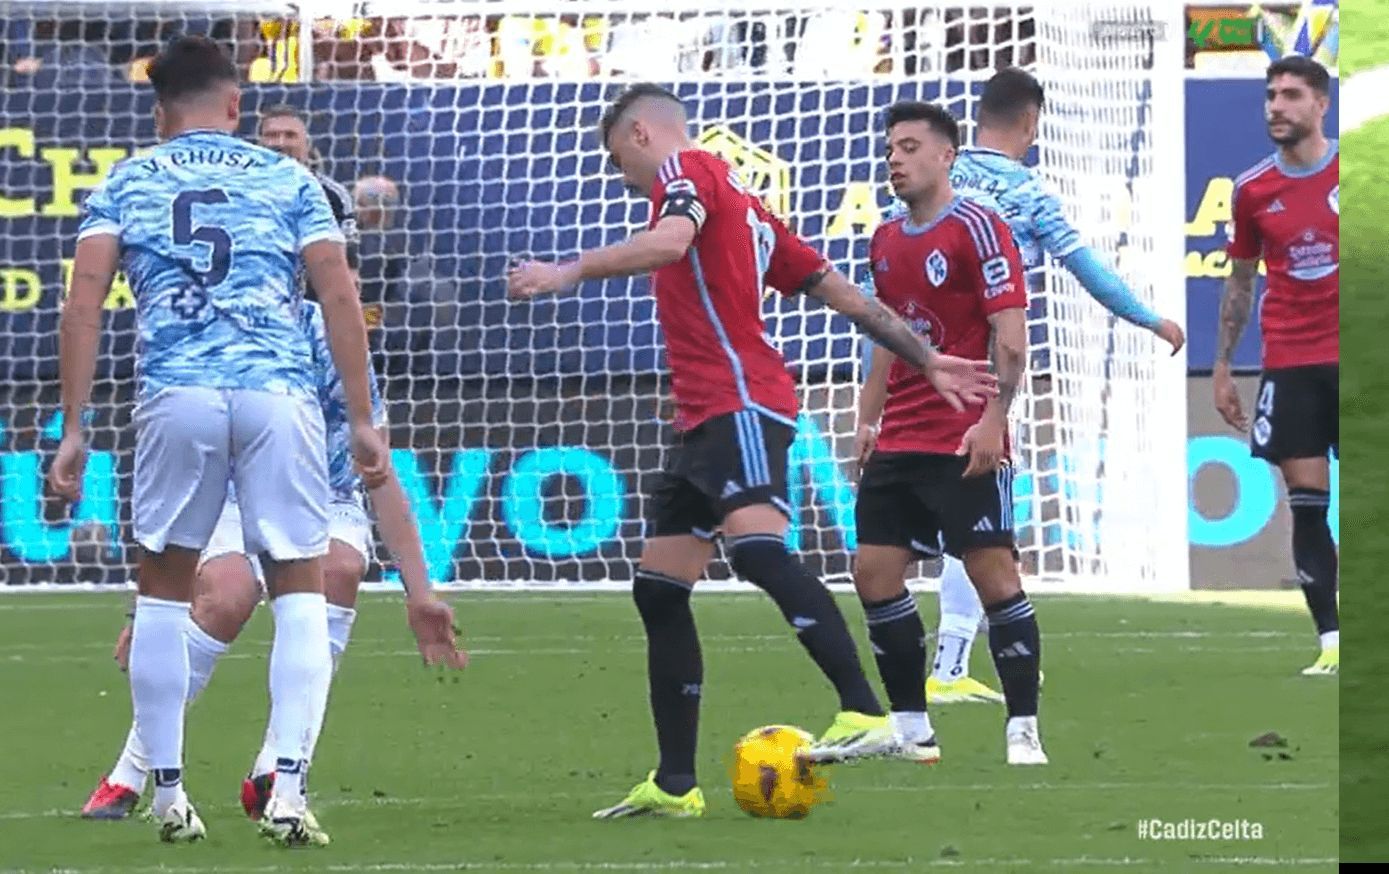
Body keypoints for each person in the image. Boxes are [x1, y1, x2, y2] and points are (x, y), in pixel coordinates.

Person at [507, 83, 998, 818]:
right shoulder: (750, 210)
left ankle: (864, 711)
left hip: (739, 397)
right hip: (703, 415)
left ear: (643, 134)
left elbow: (671, 241)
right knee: (659, 588)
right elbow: (845, 294)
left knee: (758, 551)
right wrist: (924, 357)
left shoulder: (689, 173)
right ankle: (675, 784)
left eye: (620, 162)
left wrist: (566, 271)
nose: (625, 180)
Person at [78, 107, 467, 844]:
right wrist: (145, 605)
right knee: (224, 594)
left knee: (340, 568)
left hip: (322, 496)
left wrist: (421, 594)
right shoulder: (237, 331)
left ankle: (277, 773)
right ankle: (135, 765)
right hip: (229, 487)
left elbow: (377, 467)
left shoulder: (328, 338)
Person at [48, 35, 388, 844]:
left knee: (164, 588)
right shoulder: (289, 176)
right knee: (301, 582)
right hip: (278, 395)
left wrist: (72, 426)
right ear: (235, 105)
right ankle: (288, 792)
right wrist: (365, 415)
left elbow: (84, 301)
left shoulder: (128, 180)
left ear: (161, 110)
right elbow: (337, 295)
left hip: (178, 393)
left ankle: (167, 792)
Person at [882, 67, 1186, 706]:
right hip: (982, 378)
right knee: (980, 527)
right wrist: (1150, 318)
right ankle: (951, 663)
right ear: (1031, 122)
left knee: (905, 543)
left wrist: (869, 405)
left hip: (916, 373)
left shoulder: (930, 185)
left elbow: (886, 299)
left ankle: (936, 671)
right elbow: (1087, 267)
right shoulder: (1025, 191)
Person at [854, 100, 1046, 766]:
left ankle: (1023, 729)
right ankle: (910, 729)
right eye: (889, 150)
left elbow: (1010, 335)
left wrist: (994, 419)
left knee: (992, 575)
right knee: (873, 572)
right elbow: (888, 330)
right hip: (901, 435)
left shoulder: (978, 226)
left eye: (908, 147)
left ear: (945, 156)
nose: (895, 160)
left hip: (964, 438)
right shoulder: (884, 237)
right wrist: (868, 412)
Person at [1213, 56, 1338, 676]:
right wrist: (1223, 366)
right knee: (1307, 504)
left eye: (1291, 95)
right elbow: (1239, 283)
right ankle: (1333, 643)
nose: (1276, 106)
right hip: (1291, 363)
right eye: (1270, 95)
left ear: (1321, 104)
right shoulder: (1253, 190)